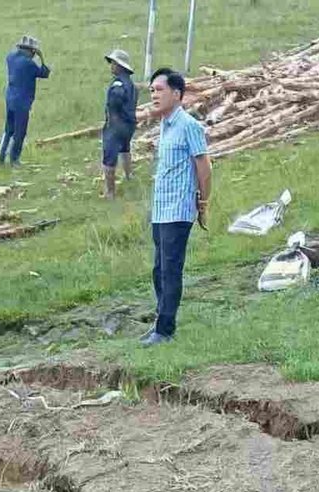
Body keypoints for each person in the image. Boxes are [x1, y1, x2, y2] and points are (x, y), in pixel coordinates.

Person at [140, 68, 210, 347]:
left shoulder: (189, 126)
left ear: (177, 94)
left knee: (170, 270)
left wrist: (203, 203)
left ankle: (166, 329)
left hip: (179, 210)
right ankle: (160, 321)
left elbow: (204, 167)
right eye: (152, 91)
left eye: (159, 90)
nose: (154, 95)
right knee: (158, 270)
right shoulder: (165, 126)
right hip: (161, 210)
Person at [0, 35, 50, 166]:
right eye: (33, 52)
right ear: (30, 50)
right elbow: (45, 73)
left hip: (10, 98)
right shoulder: (29, 64)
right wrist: (41, 57)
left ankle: (1, 156)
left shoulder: (10, 57)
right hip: (22, 102)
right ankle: (14, 159)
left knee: (8, 129)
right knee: (20, 131)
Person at [102, 49, 138, 199]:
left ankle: (110, 192)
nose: (111, 66)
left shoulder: (118, 83)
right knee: (125, 148)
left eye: (114, 63)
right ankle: (129, 175)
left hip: (116, 125)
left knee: (109, 158)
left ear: (120, 66)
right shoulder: (131, 84)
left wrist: (113, 117)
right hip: (129, 124)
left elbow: (115, 100)